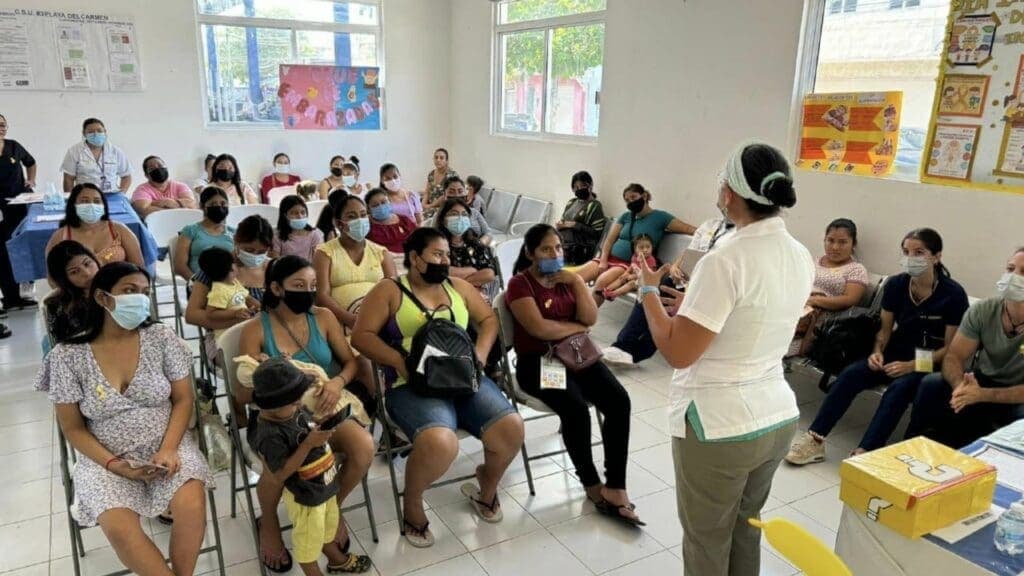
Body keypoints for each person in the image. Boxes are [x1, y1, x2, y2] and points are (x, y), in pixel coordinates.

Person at [637, 142, 813, 575]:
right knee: (746, 528)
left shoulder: (726, 258)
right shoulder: (799, 253)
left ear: (731, 193)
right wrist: (692, 306)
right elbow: (751, 321)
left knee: (706, 541)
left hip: (721, 426)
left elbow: (678, 352)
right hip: (776, 417)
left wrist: (647, 294)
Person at [35, 262, 213, 575]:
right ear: (102, 298)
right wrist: (116, 465)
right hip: (105, 457)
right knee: (118, 527)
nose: (140, 300)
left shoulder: (160, 338)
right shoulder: (67, 356)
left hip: (167, 443)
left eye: (145, 293)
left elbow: (184, 399)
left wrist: (170, 448)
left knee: (192, 503)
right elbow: (73, 429)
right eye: (130, 291)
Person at [351, 227, 525, 548]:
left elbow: (488, 320)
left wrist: (480, 355)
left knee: (511, 427)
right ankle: (413, 500)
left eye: (447, 255)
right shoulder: (389, 291)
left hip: (463, 377)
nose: (444, 260)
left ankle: (486, 485)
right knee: (441, 443)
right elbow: (361, 337)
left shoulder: (457, 286)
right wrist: (399, 361)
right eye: (437, 254)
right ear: (415, 258)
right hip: (409, 383)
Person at [786, 227, 969, 465]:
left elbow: (951, 349)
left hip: (929, 360)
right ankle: (815, 439)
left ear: (936, 256)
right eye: (906, 252)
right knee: (851, 374)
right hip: (895, 351)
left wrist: (911, 365)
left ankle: (866, 452)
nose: (910, 258)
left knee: (899, 390)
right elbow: (884, 329)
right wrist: (877, 352)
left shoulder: (952, 295)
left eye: (919, 252)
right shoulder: (896, 285)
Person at [239, 255, 375, 572]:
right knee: (278, 464)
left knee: (363, 447)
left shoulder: (324, 317)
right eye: (299, 286)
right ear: (275, 287)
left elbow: (350, 362)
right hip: (276, 418)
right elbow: (243, 395)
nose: (308, 292)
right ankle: (269, 522)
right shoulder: (256, 329)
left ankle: (331, 507)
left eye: (313, 285)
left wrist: (337, 382)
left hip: (323, 405)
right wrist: (268, 370)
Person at [506, 224, 643, 526]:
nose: (555, 254)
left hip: (578, 354)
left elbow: (590, 317)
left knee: (619, 402)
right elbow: (539, 329)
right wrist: (577, 328)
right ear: (530, 253)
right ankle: (592, 484)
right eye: (546, 249)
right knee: (576, 410)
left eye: (558, 248)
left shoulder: (567, 280)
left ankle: (616, 486)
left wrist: (576, 282)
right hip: (540, 363)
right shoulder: (520, 284)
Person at [249, 358, 372, 575]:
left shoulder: (291, 411)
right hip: (306, 498)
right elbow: (279, 476)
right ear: (274, 405)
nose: (299, 405)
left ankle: (335, 560)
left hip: (324, 486)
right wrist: (308, 444)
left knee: (325, 529)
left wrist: (320, 423)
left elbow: (305, 422)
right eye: (294, 403)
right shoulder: (269, 436)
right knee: (308, 547)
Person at [904, 248, 1024, 448]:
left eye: (1023, 272)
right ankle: (909, 448)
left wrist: (982, 394)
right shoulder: (984, 310)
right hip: (979, 379)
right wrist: (960, 385)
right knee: (931, 384)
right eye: (1010, 269)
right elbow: (954, 356)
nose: (1014, 277)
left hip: (1017, 394)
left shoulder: (951, 292)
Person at [603, 216, 734, 366]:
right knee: (653, 293)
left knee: (667, 308)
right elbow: (689, 251)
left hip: (706, 286)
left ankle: (634, 353)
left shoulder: (740, 235)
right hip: (683, 278)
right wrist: (675, 267)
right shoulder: (710, 225)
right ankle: (621, 346)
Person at [573, 183, 695, 302]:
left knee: (601, 282)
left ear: (645, 196)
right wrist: (603, 260)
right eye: (627, 200)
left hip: (629, 264)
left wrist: (708, 232)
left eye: (633, 197)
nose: (630, 202)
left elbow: (688, 229)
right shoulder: (626, 216)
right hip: (609, 259)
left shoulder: (660, 217)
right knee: (576, 276)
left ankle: (585, 319)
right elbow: (609, 240)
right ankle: (563, 310)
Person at [314, 194, 396, 333]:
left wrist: (375, 323)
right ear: (338, 223)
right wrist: (351, 320)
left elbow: (395, 294)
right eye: (352, 216)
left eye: (363, 215)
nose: (360, 220)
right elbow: (322, 296)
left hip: (379, 326)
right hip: (338, 325)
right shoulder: (324, 253)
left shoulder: (381, 253)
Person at [45, 183, 144, 273]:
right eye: (84, 201)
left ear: (103, 205)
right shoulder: (61, 236)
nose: (91, 205)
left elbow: (139, 268)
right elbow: (53, 277)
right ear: (73, 205)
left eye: (97, 201)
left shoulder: (119, 230)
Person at [0, 113, 38, 316]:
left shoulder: (14, 146)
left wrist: (31, 181)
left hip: (19, 205)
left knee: (20, 247)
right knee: (2, 252)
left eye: (4, 125)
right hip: (0, 210)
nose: (1, 128)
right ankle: (9, 297)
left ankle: (20, 294)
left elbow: (30, 162)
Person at [435, 198, 497, 301]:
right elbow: (440, 273)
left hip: (470, 293)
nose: (460, 218)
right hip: (444, 296)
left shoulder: (474, 243)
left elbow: (489, 274)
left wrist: (458, 280)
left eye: (464, 215)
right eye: (454, 214)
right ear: (443, 219)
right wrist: (472, 270)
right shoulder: (435, 244)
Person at [43, 241, 100, 348]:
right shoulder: (59, 306)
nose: (87, 273)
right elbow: (66, 347)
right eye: (74, 272)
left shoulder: (116, 287)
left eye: (87, 264)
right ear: (64, 279)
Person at [198, 247, 260, 343]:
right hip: (228, 336)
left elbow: (248, 298)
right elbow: (211, 313)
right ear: (230, 269)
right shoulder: (219, 290)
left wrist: (263, 308)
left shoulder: (235, 282)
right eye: (233, 263)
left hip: (242, 330)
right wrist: (235, 313)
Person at [173, 186, 235, 279]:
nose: (219, 207)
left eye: (223, 203)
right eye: (213, 204)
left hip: (228, 284)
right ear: (202, 206)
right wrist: (196, 283)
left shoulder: (234, 232)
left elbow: (240, 264)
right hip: (199, 283)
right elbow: (180, 266)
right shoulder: (190, 230)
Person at [61, 118, 131, 194]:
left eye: (99, 131)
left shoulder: (116, 151)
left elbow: (126, 176)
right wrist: (70, 198)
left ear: (105, 132)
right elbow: (68, 179)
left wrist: (121, 195)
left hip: (111, 194)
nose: (96, 134)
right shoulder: (74, 151)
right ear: (84, 134)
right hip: (84, 196)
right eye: (91, 132)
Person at [557, 171, 607, 266]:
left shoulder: (595, 205)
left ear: (590, 185)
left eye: (583, 185)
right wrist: (560, 225)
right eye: (575, 187)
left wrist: (575, 225)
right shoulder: (571, 202)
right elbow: (563, 221)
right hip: (563, 242)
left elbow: (597, 234)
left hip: (578, 248)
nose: (579, 189)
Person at [131, 156, 197, 218]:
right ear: (146, 175)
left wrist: (166, 202)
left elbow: (192, 204)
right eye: (152, 168)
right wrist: (179, 206)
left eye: (160, 165)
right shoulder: (141, 190)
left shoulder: (180, 186)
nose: (157, 168)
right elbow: (143, 210)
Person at [600, 234, 656, 302]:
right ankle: (606, 290)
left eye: (648, 247)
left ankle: (613, 294)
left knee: (631, 284)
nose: (645, 250)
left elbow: (648, 275)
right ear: (635, 249)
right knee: (621, 278)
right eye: (641, 247)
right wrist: (626, 273)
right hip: (633, 278)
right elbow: (632, 266)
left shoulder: (651, 260)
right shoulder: (635, 257)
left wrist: (633, 276)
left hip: (643, 283)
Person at [438, 176, 491, 245]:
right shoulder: (440, 214)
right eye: (451, 192)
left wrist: (479, 244)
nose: (456, 195)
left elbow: (488, 232)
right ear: (444, 195)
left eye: (460, 191)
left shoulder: (474, 212)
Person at [365, 187, 417, 254]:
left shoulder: (404, 220)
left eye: (384, 202)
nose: (381, 206)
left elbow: (418, 238)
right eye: (375, 205)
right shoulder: (366, 226)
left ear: (389, 202)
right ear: (369, 209)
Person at [273, 195, 324, 261]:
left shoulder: (315, 234)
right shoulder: (277, 237)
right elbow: (274, 263)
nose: (300, 216)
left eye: (303, 212)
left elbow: (318, 261)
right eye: (294, 213)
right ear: (285, 215)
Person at [423, 148, 457, 220]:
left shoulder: (452, 175)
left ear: (446, 161)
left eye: (441, 158)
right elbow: (427, 192)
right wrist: (423, 205)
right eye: (436, 157)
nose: (438, 160)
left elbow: (445, 196)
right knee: (414, 213)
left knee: (423, 217)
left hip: (444, 207)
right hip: (430, 206)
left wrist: (429, 206)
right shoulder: (431, 174)